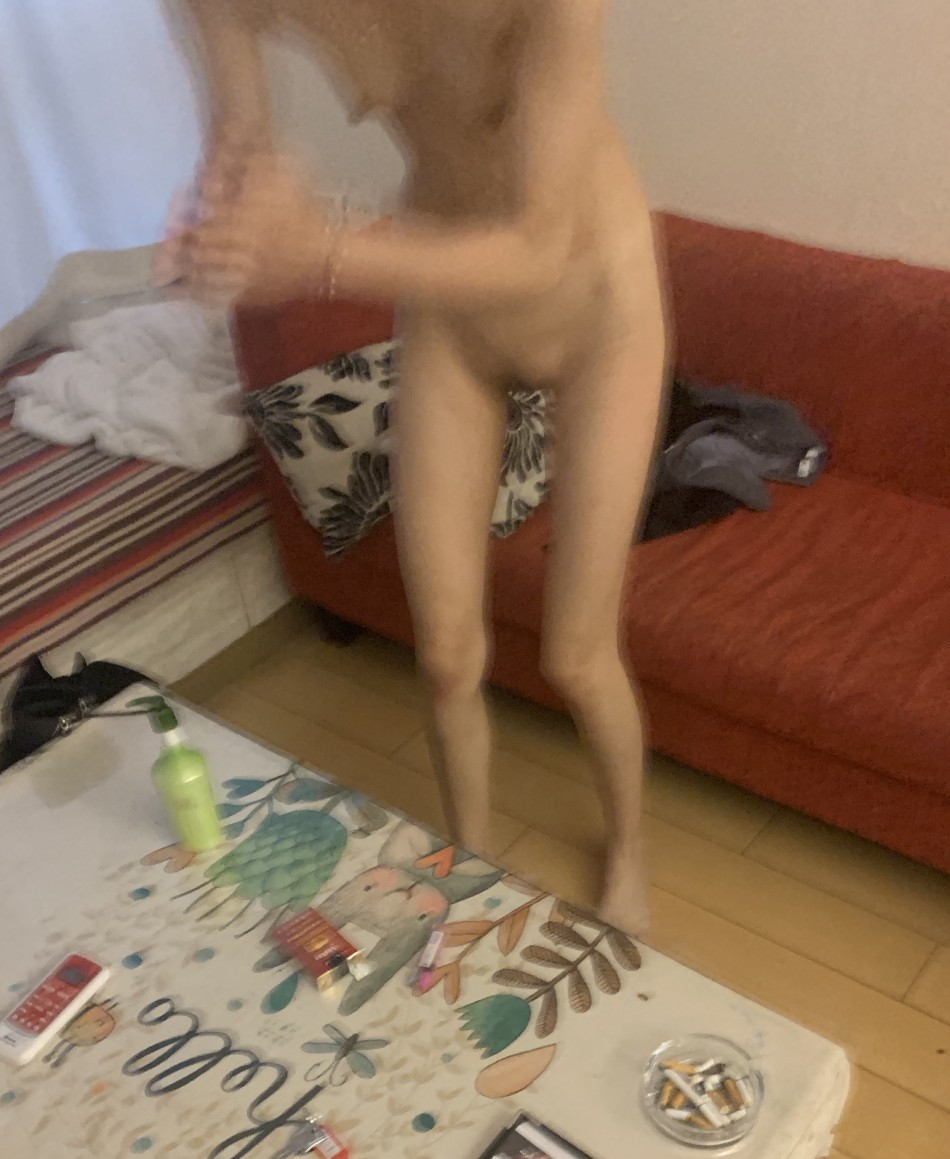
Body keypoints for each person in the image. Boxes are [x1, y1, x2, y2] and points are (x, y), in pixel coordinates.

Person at [165, 0, 667, 935]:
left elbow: (539, 248)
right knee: (444, 655)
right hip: (453, 314)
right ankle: (467, 857)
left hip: (600, 309)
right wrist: (220, 227)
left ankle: (629, 848)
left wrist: (320, 249)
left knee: (577, 653)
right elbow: (241, 153)